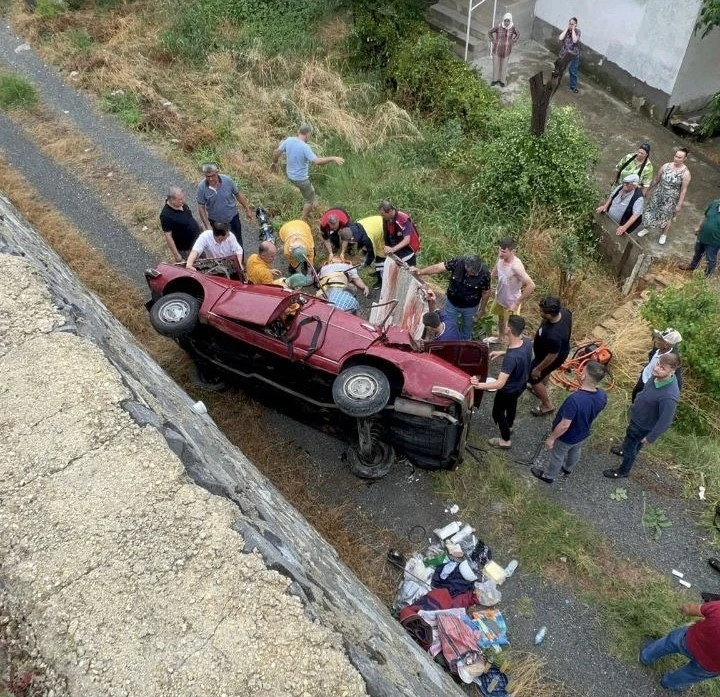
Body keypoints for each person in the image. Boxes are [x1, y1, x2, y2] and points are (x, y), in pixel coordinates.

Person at [603, 353, 681, 479]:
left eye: (662, 368)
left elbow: (665, 421)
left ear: (672, 371)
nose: (656, 369)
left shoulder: (669, 396)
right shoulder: (657, 376)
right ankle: (623, 450)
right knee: (630, 440)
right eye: (658, 364)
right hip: (637, 418)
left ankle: (623, 471)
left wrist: (650, 437)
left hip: (643, 426)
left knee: (632, 448)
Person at [530, 360, 608, 483]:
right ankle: (568, 468)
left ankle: (549, 476)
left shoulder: (575, 400)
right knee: (576, 450)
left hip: (567, 437)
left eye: (582, 370)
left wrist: (551, 439)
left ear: (583, 376)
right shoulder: (602, 395)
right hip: (583, 433)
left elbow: (565, 425)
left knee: (557, 455)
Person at [471, 315, 533, 449]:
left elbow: (499, 384)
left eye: (506, 326)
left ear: (509, 329)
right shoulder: (527, 342)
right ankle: (509, 426)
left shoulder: (511, 358)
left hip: (508, 390)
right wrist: (502, 352)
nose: (504, 327)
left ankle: (505, 440)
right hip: (520, 385)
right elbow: (519, 355)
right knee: (512, 405)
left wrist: (478, 385)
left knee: (498, 412)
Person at [639, 600, 720, 691]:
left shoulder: (718, 607)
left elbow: (692, 609)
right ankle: (669, 683)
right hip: (710, 666)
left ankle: (646, 656)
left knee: (668, 643)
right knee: (690, 674)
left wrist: (684, 608)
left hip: (688, 640)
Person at [271, 124, 345, 222]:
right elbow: (317, 162)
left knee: (309, 191)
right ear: (308, 134)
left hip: (290, 175)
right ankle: (303, 219)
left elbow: (277, 151)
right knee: (310, 199)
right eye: (310, 135)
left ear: (299, 131)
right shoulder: (305, 147)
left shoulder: (288, 140)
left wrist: (274, 162)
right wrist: (332, 158)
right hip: (301, 179)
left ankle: (311, 205)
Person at [413, 255, 491, 340]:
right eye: (472, 273)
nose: (476, 274)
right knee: (448, 326)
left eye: (477, 272)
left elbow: (486, 292)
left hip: (470, 307)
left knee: (467, 328)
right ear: (466, 267)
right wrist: (420, 272)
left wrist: (482, 309)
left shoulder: (485, 274)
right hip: (452, 304)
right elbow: (438, 268)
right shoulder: (458, 262)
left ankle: (465, 343)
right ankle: (450, 343)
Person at [529, 296, 573, 416]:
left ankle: (547, 405)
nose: (540, 312)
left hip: (549, 358)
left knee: (533, 377)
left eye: (542, 311)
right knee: (543, 374)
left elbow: (551, 357)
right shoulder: (565, 312)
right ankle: (541, 386)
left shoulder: (554, 335)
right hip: (556, 351)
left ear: (549, 315)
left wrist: (538, 369)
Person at [639, 147, 692, 245]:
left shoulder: (686, 174)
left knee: (666, 217)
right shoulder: (666, 166)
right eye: (676, 156)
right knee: (651, 211)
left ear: (684, 159)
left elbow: (683, 190)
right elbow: (656, 179)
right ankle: (646, 228)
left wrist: (679, 204)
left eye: (679, 157)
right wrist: (647, 190)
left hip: (671, 199)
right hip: (658, 194)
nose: (676, 158)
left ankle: (664, 234)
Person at [196, 164, 252, 251]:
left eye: (213, 175)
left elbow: (238, 195)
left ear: (217, 172)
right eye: (208, 176)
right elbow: (201, 207)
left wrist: (247, 209)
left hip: (232, 218)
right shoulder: (201, 187)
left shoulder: (228, 181)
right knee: (220, 244)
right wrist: (207, 225)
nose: (210, 179)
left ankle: (239, 261)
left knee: (237, 241)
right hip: (216, 222)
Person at [489, 238, 536, 338]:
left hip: (511, 301)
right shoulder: (500, 258)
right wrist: (488, 281)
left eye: (504, 252)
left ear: (512, 251)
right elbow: (495, 269)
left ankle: (511, 349)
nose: (500, 254)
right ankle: (500, 338)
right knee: (500, 318)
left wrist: (516, 303)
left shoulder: (516, 266)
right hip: (500, 297)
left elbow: (531, 285)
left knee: (512, 329)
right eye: (499, 250)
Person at [679, 197, 720, 277]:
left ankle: (708, 276)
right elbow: (705, 216)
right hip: (702, 235)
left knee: (711, 258)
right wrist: (698, 227)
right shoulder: (715, 203)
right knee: (697, 252)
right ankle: (693, 266)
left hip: (715, 241)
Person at [160, 186, 200, 261]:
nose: (183, 200)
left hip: (197, 243)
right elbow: (168, 236)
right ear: (172, 200)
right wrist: (177, 255)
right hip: (186, 249)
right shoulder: (166, 215)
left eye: (183, 198)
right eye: (180, 199)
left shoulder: (182, 205)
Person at [378, 200, 419, 267]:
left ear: (390, 211)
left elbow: (407, 240)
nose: (382, 217)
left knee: (408, 274)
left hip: (408, 252)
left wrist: (393, 249)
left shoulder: (402, 218)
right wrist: (387, 247)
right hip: (396, 252)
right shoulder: (386, 219)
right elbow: (388, 234)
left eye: (383, 214)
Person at [488, 13, 519, 88]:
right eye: (505, 20)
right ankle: (495, 80)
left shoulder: (513, 28)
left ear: (510, 20)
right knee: (496, 65)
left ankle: (502, 81)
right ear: (503, 20)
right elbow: (490, 32)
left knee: (504, 66)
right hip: (497, 50)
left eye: (508, 21)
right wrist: (493, 40)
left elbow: (518, 34)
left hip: (506, 51)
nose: (506, 22)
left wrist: (514, 40)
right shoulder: (498, 26)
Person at [558, 17, 581, 94]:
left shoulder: (578, 32)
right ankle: (557, 82)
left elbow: (575, 40)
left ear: (575, 25)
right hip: (564, 54)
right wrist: (566, 29)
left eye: (572, 24)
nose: (570, 25)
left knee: (573, 71)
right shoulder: (566, 31)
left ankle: (573, 87)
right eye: (569, 23)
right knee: (560, 69)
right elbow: (560, 38)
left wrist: (573, 30)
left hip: (573, 55)